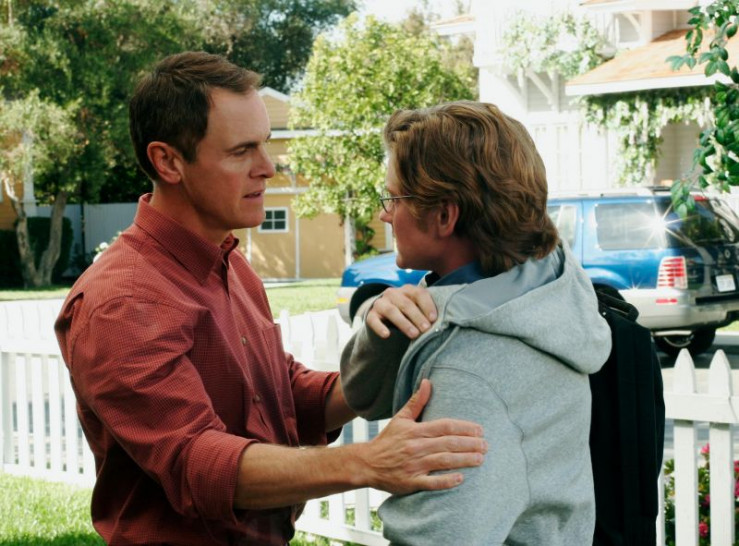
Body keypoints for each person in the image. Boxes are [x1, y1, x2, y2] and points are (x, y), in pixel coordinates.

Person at [54, 52, 488, 546]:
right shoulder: (122, 301)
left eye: (264, 144)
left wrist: (386, 353)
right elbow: (198, 463)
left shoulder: (231, 264)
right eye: (241, 151)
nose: (268, 168)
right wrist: (366, 462)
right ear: (168, 161)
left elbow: (284, 396)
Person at [340, 100, 613, 545]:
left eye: (394, 198)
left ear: (445, 216)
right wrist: (379, 328)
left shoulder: (471, 368)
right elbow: (364, 398)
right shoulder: (541, 291)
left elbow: (438, 538)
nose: (385, 214)